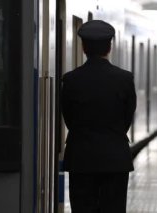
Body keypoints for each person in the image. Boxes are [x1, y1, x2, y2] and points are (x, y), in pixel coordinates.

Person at [61, 20, 136, 213]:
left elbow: (68, 118)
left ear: (84, 47)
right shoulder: (125, 79)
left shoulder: (70, 80)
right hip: (115, 160)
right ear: (109, 46)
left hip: (81, 159)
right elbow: (127, 117)